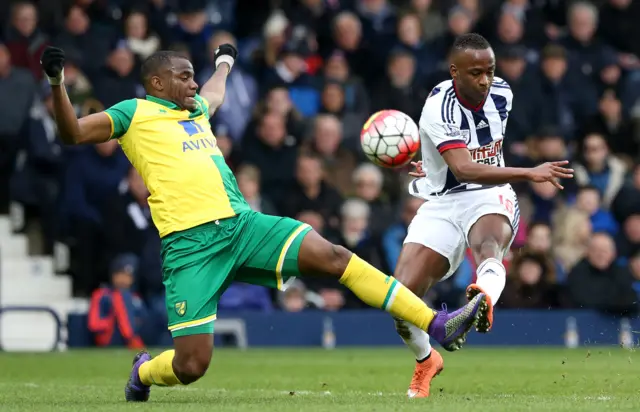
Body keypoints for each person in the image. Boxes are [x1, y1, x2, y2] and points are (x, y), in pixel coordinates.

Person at [39, 44, 489, 402]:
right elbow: (73, 133)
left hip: (242, 226)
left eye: (194, 76)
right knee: (191, 366)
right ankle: (143, 371)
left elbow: (213, 91)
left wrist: (225, 64)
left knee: (334, 255)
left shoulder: (195, 109)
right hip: (190, 248)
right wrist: (58, 83)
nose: (194, 83)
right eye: (183, 76)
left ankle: (434, 324)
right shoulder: (132, 113)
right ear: (156, 83)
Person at [392, 33, 574, 398]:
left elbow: (478, 158)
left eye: (489, 71)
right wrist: (528, 172)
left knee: (489, 244)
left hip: (490, 195)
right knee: (401, 297)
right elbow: (464, 168)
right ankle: (426, 359)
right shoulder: (437, 107)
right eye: (475, 73)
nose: (485, 80)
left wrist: (433, 163)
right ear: (454, 71)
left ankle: (481, 301)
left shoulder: (503, 93)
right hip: (443, 201)